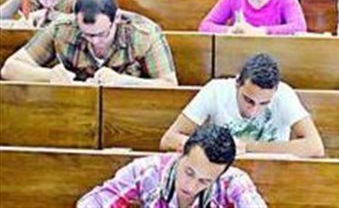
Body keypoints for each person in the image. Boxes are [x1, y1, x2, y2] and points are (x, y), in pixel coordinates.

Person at [0, 0, 178, 86]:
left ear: (116, 19)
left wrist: (123, 81)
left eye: (102, 34)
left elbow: (169, 84)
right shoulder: (62, 28)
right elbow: (10, 69)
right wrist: (49, 75)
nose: (95, 41)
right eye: (87, 34)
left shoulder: (144, 34)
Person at [161, 54, 324, 158]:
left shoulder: (284, 94)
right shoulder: (216, 90)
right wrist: (214, 147)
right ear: (237, 84)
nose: (254, 111)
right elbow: (169, 139)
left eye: (264, 103)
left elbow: (315, 147)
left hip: (273, 173)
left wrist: (248, 147)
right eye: (248, 100)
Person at [79, 124, 266, 207]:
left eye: (204, 181)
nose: (190, 187)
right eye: (189, 172)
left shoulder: (234, 182)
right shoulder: (148, 170)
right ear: (180, 152)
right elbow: (94, 202)